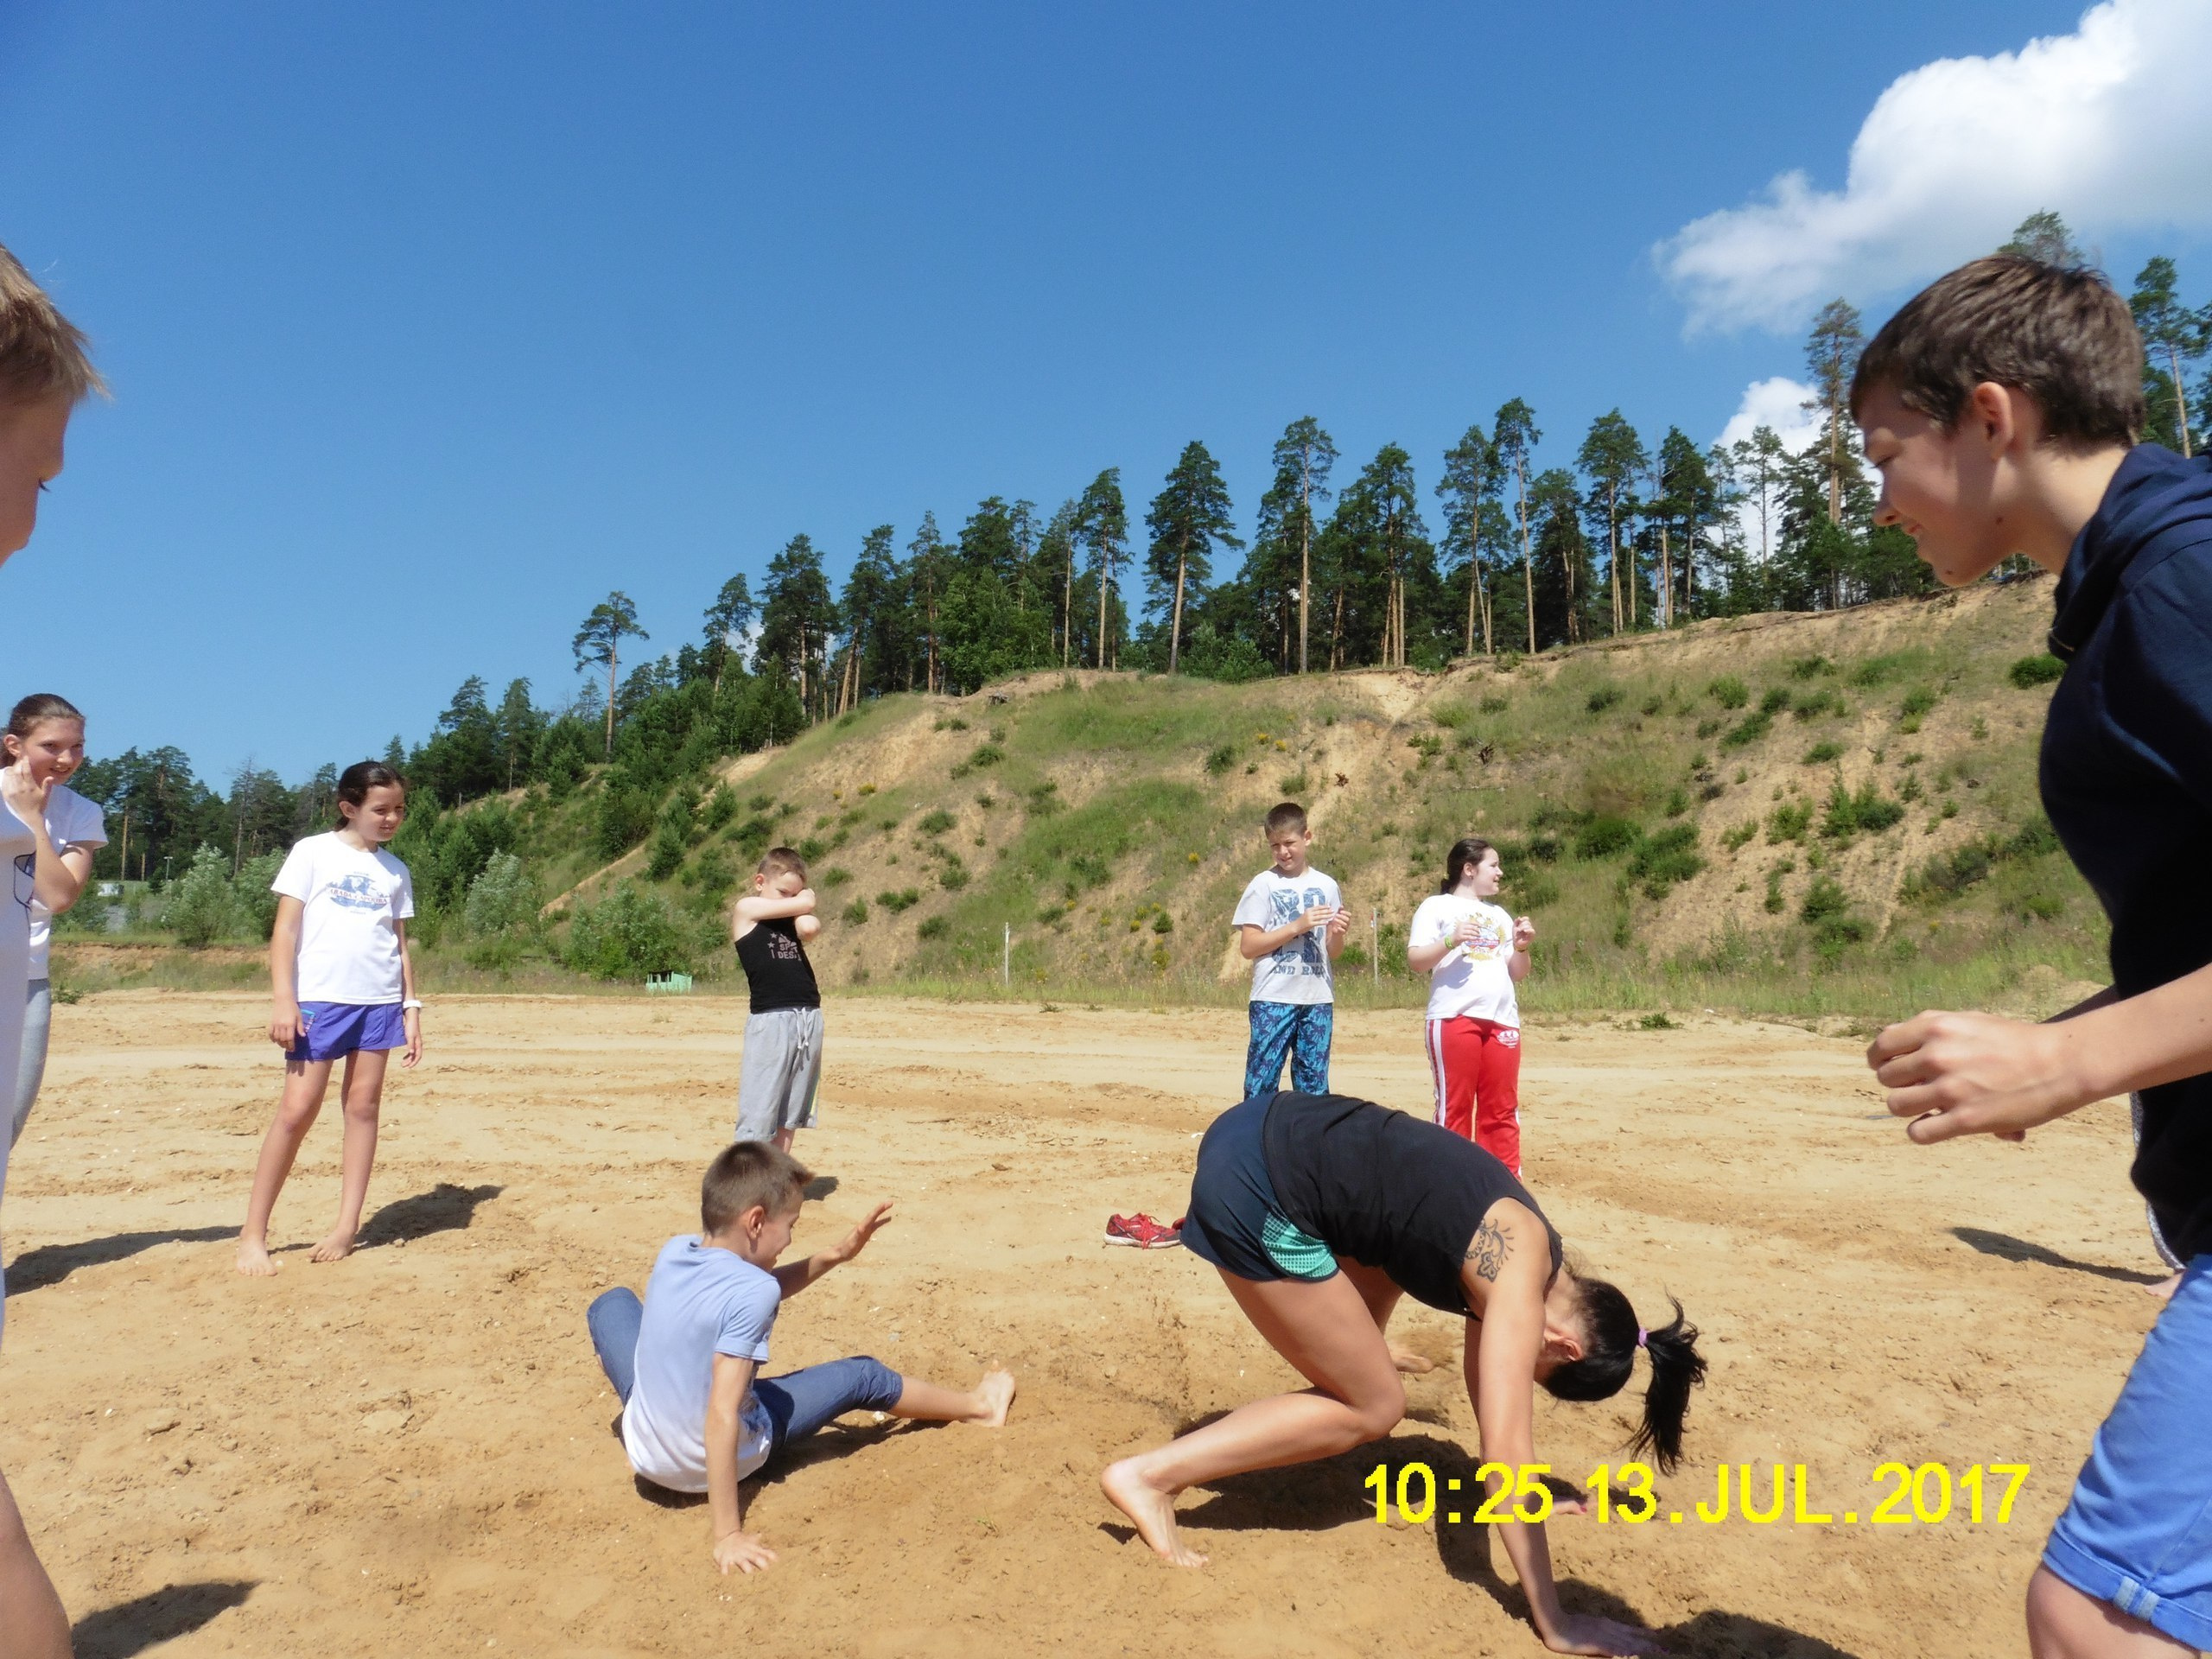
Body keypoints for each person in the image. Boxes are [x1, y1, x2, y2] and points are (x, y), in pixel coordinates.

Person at [1855, 254, 2212, 1657]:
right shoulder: (2147, 589)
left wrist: (2071, 1058)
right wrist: (2055, 1044)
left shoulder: (2180, 582)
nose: (1877, 499)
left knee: (2097, 1620)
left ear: (1989, 417)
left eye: (1887, 451)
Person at [1103, 1089, 1702, 1658]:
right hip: (1258, 1191)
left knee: (1389, 1259)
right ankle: (1151, 1478)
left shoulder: (1533, 1244)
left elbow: (1492, 1413)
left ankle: (1348, 1361)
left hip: (1258, 1126)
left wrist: (1530, 1496)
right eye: (1536, 1371)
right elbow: (1504, 1457)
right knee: (1375, 1407)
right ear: (1565, 1347)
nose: (1520, 1369)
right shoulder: (1519, 1289)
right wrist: (1558, 1621)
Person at [586, 1140, 1015, 1573]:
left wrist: (834, 1256)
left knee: (613, 1304)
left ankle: (647, 1417)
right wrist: (727, 1536)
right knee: (864, 1376)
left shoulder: (675, 1252)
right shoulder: (755, 1291)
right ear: (755, 1221)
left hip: (647, 1449)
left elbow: (744, 1289)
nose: (790, 1239)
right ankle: (980, 1408)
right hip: (709, 1460)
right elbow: (721, 1412)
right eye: (790, 1224)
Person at [0, 237, 104, 1659]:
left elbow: (62, 898)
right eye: (34, 466)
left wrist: (32, 823)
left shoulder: (65, 811)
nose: (42, 505)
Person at [236, 760, 422, 1275]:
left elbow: (401, 946)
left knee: (363, 1108)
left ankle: (346, 1225)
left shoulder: (396, 870)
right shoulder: (312, 853)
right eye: (380, 809)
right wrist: (283, 999)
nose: (391, 819)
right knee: (297, 1110)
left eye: (399, 810)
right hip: (319, 1001)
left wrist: (411, 1007)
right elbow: (286, 933)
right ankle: (253, 1235)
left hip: (380, 1003)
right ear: (349, 808)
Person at [4, 694, 105, 1150]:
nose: (67, 759)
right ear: (14, 745)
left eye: (78, 747)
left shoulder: (80, 811)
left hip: (27, 981)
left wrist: (32, 820)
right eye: (51, 746)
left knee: (7, 1128)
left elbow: (59, 894)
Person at [1408, 836, 1535, 1173]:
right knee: (1455, 1108)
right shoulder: (1435, 907)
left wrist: (1521, 947)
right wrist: (1451, 939)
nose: (1500, 872)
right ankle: (1452, 1187)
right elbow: (1416, 960)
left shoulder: (1499, 914)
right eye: (1493, 865)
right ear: (1468, 869)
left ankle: (1505, 1188)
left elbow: (1517, 972)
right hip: (1454, 1018)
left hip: (1502, 1020)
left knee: (1502, 1109)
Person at [1231, 802, 1349, 1100]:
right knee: (1261, 1084)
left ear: (1306, 837)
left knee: (1315, 1089)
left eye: (1289, 843)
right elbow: (1249, 946)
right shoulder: (1263, 884)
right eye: (1275, 845)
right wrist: (1297, 925)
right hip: (1273, 997)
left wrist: (1336, 934)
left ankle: (1309, 1145)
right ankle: (1256, 1142)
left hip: (1318, 998)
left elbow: (1333, 952)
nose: (1283, 852)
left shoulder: (1327, 885)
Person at [733, 846, 823, 1153]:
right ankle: (746, 1181)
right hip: (771, 1018)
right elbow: (806, 905)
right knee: (760, 1107)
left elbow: (810, 927)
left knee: (791, 1111)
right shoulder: (747, 909)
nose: (791, 900)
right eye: (784, 892)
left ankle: (777, 1175)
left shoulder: (791, 918)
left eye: (795, 893)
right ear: (760, 882)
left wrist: (800, 907)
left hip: (807, 1015)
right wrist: (805, 899)